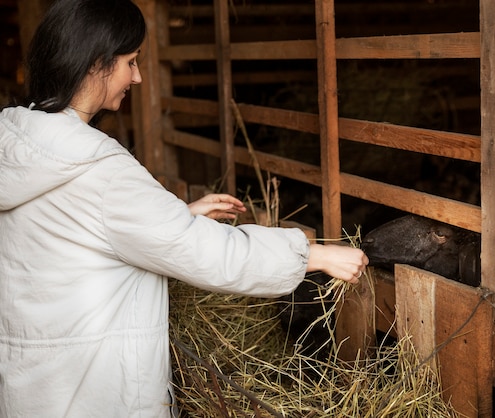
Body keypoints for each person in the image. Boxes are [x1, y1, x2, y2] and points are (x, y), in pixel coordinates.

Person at [0, 0, 368, 416]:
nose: (137, 77)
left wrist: (177, 215)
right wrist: (311, 254)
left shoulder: (21, 146)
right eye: (130, 62)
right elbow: (203, 252)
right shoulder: (100, 169)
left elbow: (72, 231)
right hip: (94, 389)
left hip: (38, 384)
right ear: (94, 64)